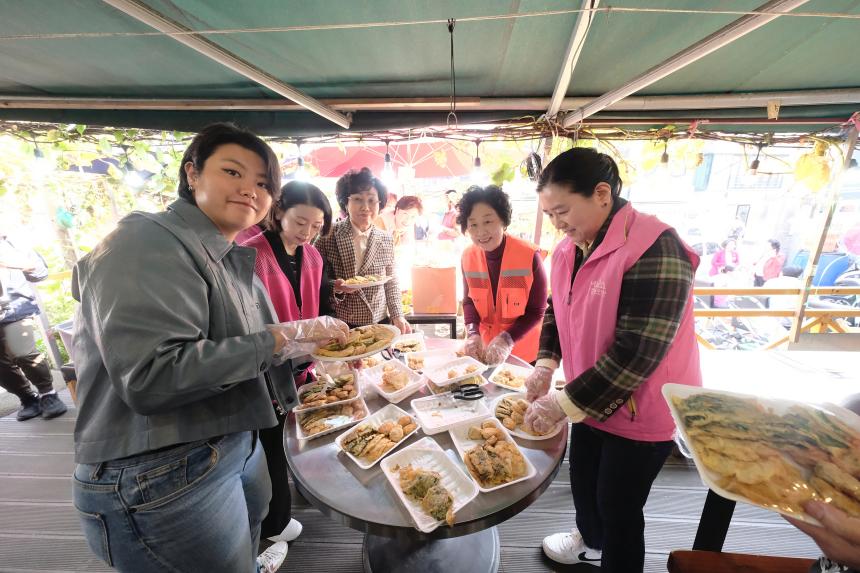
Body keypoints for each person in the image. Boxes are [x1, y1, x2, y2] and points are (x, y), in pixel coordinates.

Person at [70, 123, 348, 573]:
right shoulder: (144, 240)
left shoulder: (225, 255)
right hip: (158, 474)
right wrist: (280, 337)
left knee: (246, 550)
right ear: (192, 174)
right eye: (233, 172)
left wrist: (300, 341)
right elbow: (152, 376)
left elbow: (240, 346)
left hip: (229, 440)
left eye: (262, 183)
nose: (249, 190)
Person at [523, 148, 701, 573]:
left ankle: (613, 554)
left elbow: (638, 352)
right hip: (589, 396)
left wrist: (560, 405)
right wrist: (545, 364)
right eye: (549, 214)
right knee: (584, 483)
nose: (556, 224)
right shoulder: (570, 247)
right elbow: (556, 310)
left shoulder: (656, 248)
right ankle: (591, 544)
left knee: (619, 505)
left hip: (644, 407)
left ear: (602, 193)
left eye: (562, 210)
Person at [241, 180, 336, 544]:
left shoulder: (313, 256)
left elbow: (319, 310)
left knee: (298, 433)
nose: (307, 233)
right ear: (278, 212)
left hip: (302, 364)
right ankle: (273, 523)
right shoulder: (251, 254)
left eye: (316, 226)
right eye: (300, 222)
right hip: (266, 368)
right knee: (271, 444)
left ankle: (293, 498)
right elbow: (251, 325)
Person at [458, 185, 547, 365]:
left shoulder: (530, 256)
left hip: (522, 353)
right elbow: (469, 301)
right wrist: (473, 332)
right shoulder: (467, 256)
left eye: (488, 221)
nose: (480, 232)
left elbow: (537, 311)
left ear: (503, 221)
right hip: (484, 349)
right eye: (473, 224)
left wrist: (507, 339)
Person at [315, 167, 411, 333]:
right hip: (341, 324)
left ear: (379, 204)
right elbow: (314, 278)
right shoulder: (328, 235)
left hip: (379, 321)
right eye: (358, 199)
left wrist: (397, 315)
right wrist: (335, 287)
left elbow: (391, 281)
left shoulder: (386, 239)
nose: (365, 207)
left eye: (372, 200)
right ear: (346, 202)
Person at [0, 234, 67, 421]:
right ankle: (28, 398)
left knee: (23, 352)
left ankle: (48, 394)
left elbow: (40, 273)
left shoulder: (15, 243)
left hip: (15, 307)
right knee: (1, 366)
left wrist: (16, 262)